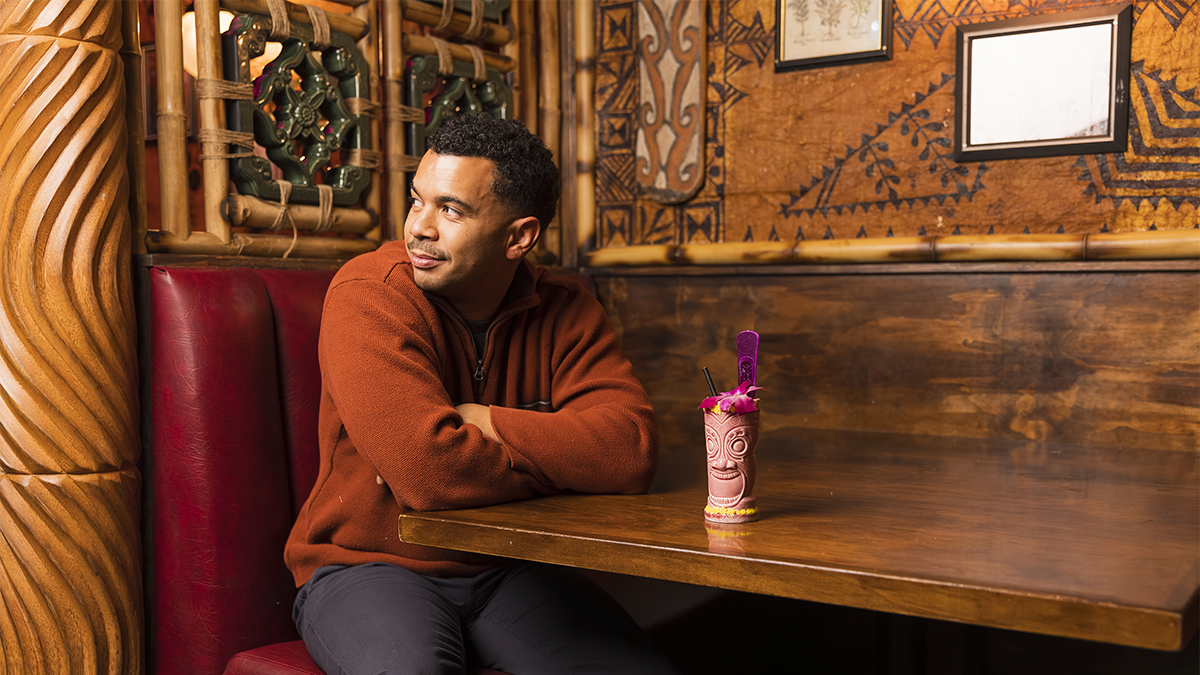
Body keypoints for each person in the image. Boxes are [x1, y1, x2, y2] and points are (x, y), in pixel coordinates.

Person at [284, 113, 678, 675]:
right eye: (416, 201)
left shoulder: (566, 308)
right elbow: (428, 473)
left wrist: (487, 421)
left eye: (451, 210)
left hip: (509, 565)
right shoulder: (369, 293)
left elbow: (631, 451)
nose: (419, 227)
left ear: (519, 237)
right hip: (367, 564)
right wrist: (564, 460)